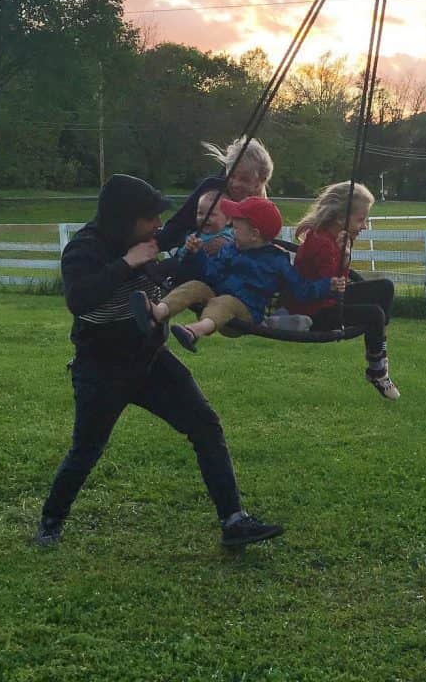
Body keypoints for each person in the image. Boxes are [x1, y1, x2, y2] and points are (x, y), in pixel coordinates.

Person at [34, 174, 283, 549]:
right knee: (87, 448)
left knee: (205, 425)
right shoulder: (84, 249)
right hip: (102, 368)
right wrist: (127, 263)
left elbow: (185, 221)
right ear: (126, 218)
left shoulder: (147, 240)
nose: (158, 226)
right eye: (150, 218)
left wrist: (222, 183)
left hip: (151, 359)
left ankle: (234, 521)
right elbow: (79, 299)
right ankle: (50, 523)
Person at [131, 196, 345, 346]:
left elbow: (302, 290)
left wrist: (328, 285)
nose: (232, 230)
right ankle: (159, 312)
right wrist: (197, 254)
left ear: (254, 234)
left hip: (244, 316)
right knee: (196, 286)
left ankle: (195, 331)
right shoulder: (230, 249)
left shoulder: (277, 260)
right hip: (217, 298)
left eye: (236, 227)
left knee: (224, 302)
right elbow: (211, 274)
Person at [284, 181, 400, 401]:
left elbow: (339, 280)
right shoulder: (322, 243)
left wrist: (345, 255)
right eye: (361, 219)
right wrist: (342, 254)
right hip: (315, 311)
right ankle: (376, 369)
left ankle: (378, 347)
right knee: (375, 313)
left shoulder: (330, 239)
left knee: (385, 287)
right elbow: (331, 283)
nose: (364, 226)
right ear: (340, 218)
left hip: (328, 300)